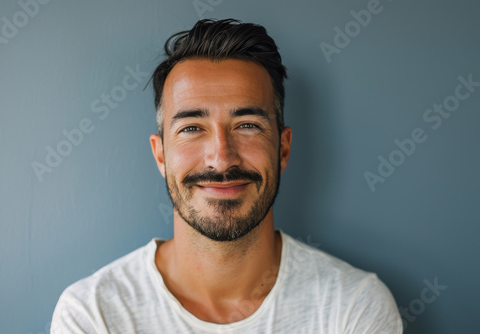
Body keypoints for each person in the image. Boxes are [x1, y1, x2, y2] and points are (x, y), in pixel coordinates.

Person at [51, 19, 402, 333]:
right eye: (192, 128)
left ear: (282, 149)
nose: (221, 158)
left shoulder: (353, 308)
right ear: (160, 154)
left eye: (247, 125)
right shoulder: (93, 315)